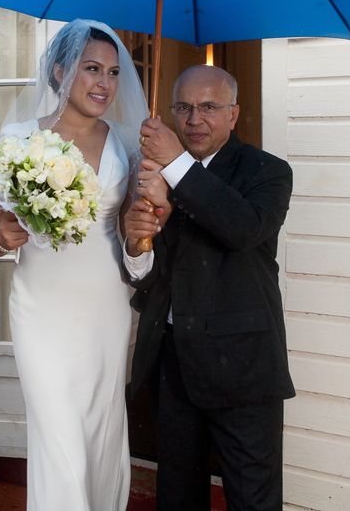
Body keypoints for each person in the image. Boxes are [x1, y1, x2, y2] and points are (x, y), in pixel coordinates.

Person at [0, 19, 148, 511]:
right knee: (58, 435)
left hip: (106, 307)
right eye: (92, 69)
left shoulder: (129, 143)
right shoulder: (18, 137)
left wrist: (149, 212)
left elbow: (138, 233)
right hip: (42, 309)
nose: (105, 84)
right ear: (59, 71)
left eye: (114, 73)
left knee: (99, 427)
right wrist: (3, 235)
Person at [123, 65, 294, 511]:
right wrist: (137, 242)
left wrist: (176, 165)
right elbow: (148, 276)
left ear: (234, 115)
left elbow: (242, 228)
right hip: (173, 361)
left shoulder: (268, 172)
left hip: (243, 366)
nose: (194, 119)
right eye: (184, 107)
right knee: (177, 495)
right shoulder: (151, 176)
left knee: (252, 497)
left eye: (209, 107)